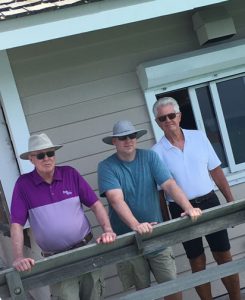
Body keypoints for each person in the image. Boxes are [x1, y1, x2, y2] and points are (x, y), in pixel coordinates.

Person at [97, 120, 202, 300]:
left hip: (156, 235)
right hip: (126, 240)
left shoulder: (150, 157)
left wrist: (189, 207)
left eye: (132, 136)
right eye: (122, 137)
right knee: (142, 293)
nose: (128, 140)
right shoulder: (106, 166)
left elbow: (169, 184)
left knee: (171, 286)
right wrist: (136, 225)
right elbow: (116, 199)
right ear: (114, 141)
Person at [152, 97, 241, 300]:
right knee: (197, 262)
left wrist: (231, 201)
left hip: (210, 202)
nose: (168, 120)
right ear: (158, 122)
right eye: (162, 118)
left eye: (171, 115)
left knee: (224, 256)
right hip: (180, 211)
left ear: (179, 116)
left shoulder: (199, 137)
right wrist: (168, 222)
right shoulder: (156, 152)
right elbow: (160, 192)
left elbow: (216, 171)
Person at [10, 133, 116, 300]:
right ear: (31, 159)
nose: (47, 158)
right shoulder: (23, 185)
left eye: (50, 153)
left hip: (86, 249)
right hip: (55, 260)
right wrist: (18, 257)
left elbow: (96, 204)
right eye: (40, 155)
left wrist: (108, 230)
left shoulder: (70, 174)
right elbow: (16, 224)